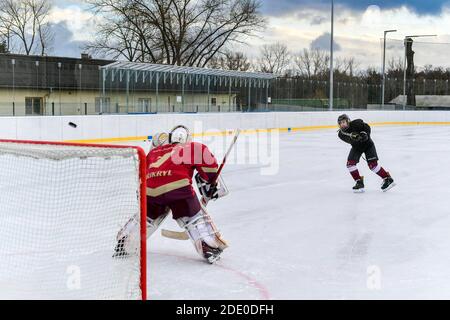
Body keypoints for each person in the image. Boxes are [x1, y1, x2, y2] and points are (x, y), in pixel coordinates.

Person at [115, 125, 228, 264]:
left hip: (149, 192)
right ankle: (208, 246)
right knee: (194, 218)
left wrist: (142, 197)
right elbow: (209, 170)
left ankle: (125, 242)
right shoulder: (193, 147)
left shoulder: (154, 151)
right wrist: (212, 183)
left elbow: (142, 176)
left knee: (146, 218)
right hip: (178, 189)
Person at [337, 114, 395, 192]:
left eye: (343, 122)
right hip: (357, 147)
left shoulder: (356, 123)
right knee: (350, 164)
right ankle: (359, 182)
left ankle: (388, 179)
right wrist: (355, 138)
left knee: (373, 165)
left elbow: (367, 127)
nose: (342, 124)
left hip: (368, 145)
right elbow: (349, 141)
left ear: (348, 121)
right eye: (340, 123)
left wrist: (365, 134)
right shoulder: (341, 134)